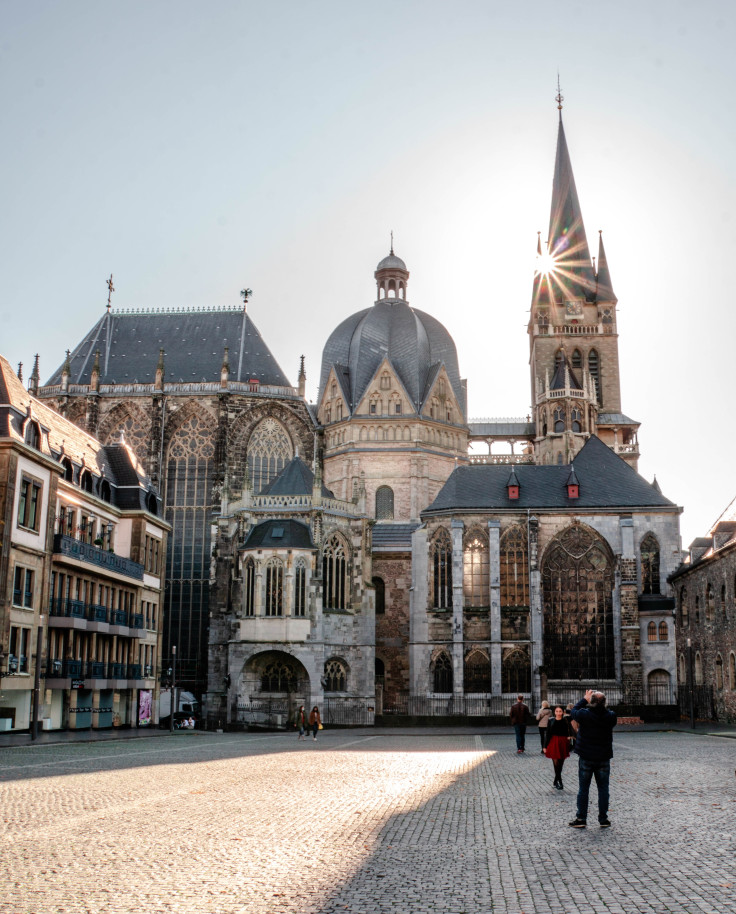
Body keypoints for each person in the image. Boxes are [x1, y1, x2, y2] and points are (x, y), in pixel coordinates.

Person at [568, 689, 617, 829]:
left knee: (583, 789)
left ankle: (581, 818)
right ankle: (603, 819)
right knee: (603, 789)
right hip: (603, 757)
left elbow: (574, 711)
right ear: (605, 703)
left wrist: (584, 699)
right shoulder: (611, 716)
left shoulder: (584, 715)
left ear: (592, 702)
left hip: (586, 756)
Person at [544, 705, 574, 789]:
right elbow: (548, 734)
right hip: (554, 742)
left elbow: (574, 714)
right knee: (556, 763)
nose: (558, 713)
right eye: (556, 711)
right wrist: (545, 746)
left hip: (564, 742)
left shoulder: (566, 719)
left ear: (563, 712)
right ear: (554, 712)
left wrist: (567, 711)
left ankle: (555, 780)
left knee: (561, 763)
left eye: (560, 711)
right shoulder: (551, 720)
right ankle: (559, 782)